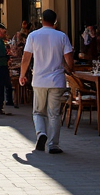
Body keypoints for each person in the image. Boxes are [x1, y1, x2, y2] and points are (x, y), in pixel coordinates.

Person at [19, 9, 73, 153]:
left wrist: (22, 75)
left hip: (39, 80)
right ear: (55, 21)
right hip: (57, 80)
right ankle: (53, 144)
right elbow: (69, 60)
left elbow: (26, 58)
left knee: (38, 112)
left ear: (41, 20)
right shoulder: (62, 36)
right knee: (54, 113)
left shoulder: (33, 35)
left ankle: (41, 133)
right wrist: (66, 67)